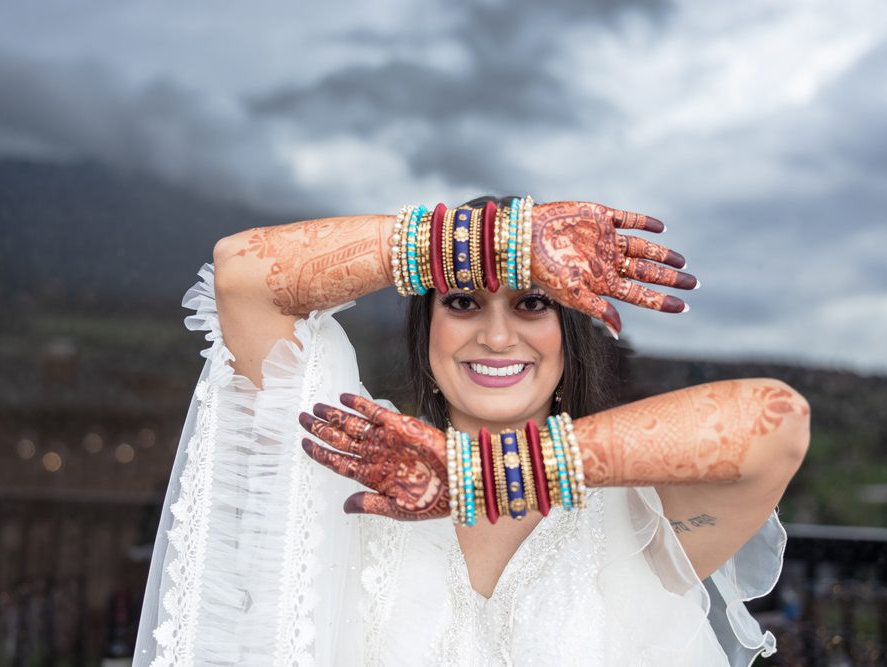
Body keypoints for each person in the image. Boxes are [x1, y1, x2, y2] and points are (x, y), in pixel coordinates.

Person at [134, 197, 809, 665]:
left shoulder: (640, 521)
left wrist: (483, 473)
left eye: (531, 301)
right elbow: (243, 274)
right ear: (427, 325)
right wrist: (494, 240)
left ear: (569, 333)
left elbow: (777, 424)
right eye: (462, 299)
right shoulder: (353, 462)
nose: (494, 333)